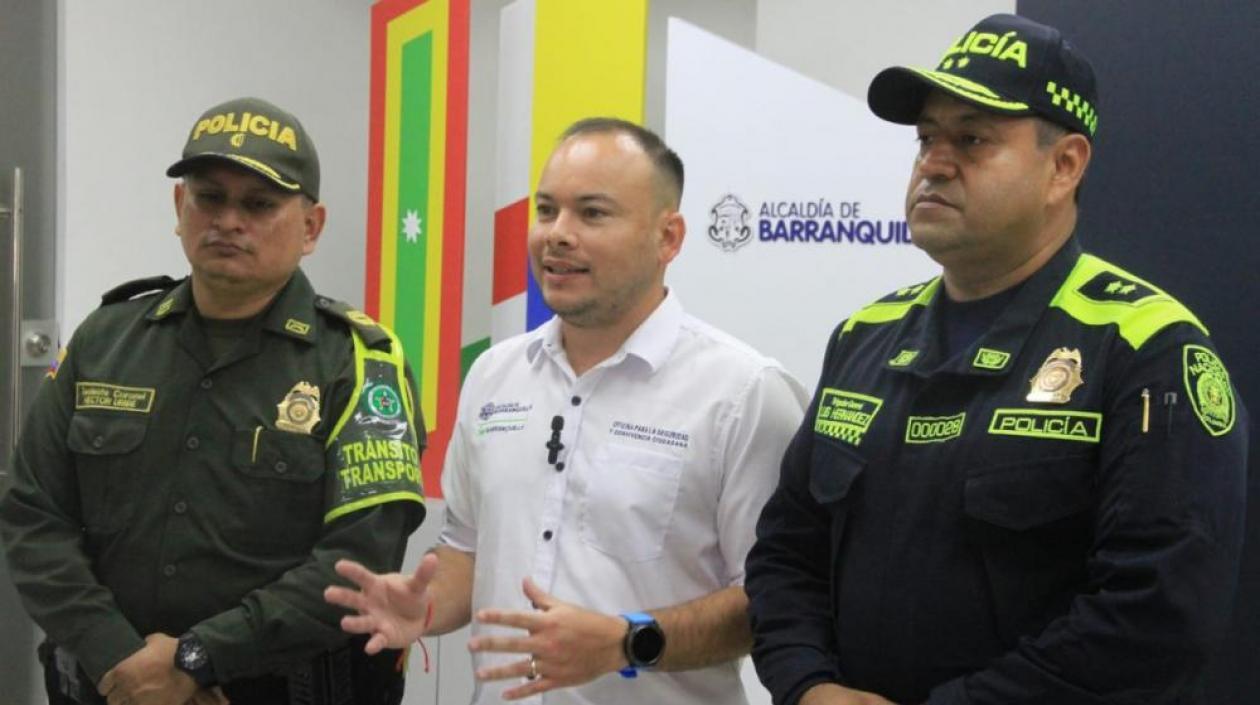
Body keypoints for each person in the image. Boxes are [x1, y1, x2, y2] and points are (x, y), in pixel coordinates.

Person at [745, 13, 1248, 705]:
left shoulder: (1145, 346)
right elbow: (786, 551)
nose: (933, 163)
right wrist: (808, 684)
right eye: (926, 138)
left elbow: (1156, 619)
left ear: (1064, 166)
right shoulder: (865, 335)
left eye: (972, 139)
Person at [325, 118, 808, 704]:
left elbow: (776, 598)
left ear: (668, 238)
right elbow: (468, 551)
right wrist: (424, 604)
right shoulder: (494, 374)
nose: (557, 235)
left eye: (592, 213)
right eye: (547, 210)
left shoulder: (744, 393)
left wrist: (628, 641)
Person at [0, 96, 427, 705]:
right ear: (180, 207)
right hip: (110, 687)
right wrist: (119, 657)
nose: (228, 220)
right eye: (209, 197)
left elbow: (358, 560)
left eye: (259, 204)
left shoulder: (358, 362)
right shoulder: (105, 341)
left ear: (311, 227)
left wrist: (198, 660)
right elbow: (33, 513)